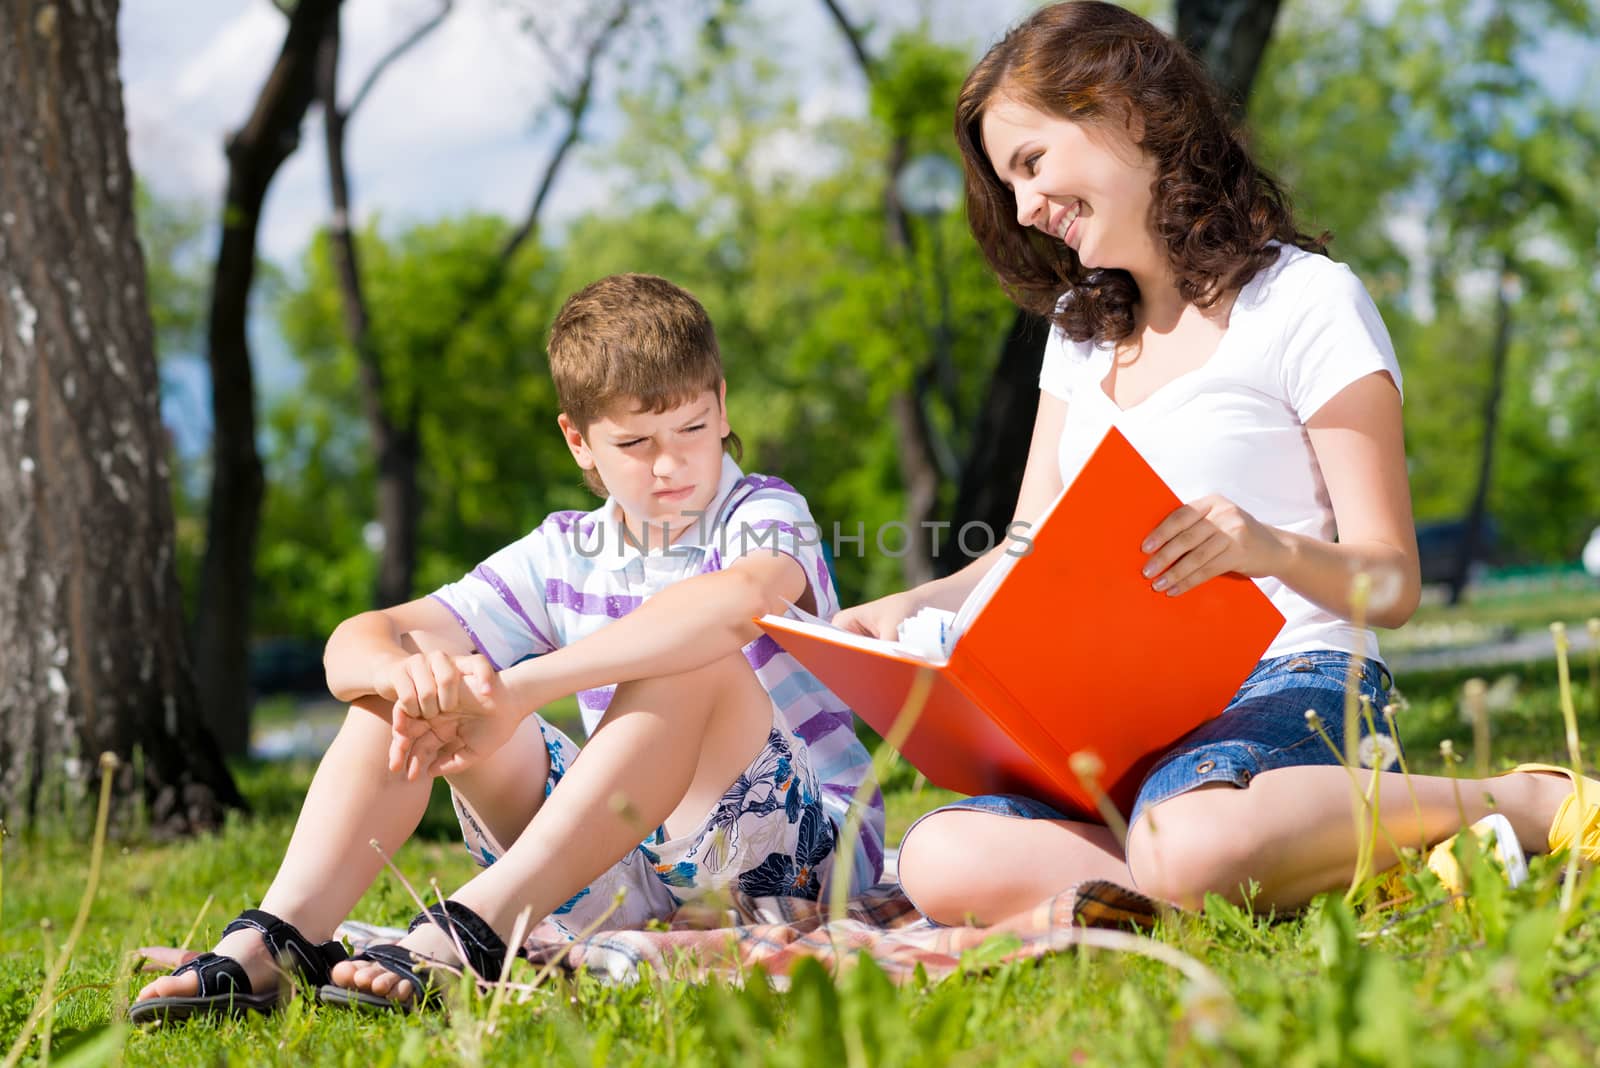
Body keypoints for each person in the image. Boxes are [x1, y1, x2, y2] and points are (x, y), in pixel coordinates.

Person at [835, 0, 1598, 923]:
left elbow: (1392, 583)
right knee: (941, 857)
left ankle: (1517, 801)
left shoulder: (1307, 302)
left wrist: (1266, 547)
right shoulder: (1077, 341)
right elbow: (1021, 553)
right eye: (1011, 183)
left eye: (1031, 162)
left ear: (1121, 110)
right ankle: (1254, 862)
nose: (1027, 207)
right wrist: (893, 615)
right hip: (1114, 718)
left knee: (1185, 843)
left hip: (1292, 683)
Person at [131, 273, 883, 1020]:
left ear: (721, 404)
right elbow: (354, 645)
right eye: (634, 442)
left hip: (795, 856)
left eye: (692, 427)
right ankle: (280, 940)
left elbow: (740, 603)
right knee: (405, 691)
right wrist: (411, 676)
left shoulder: (763, 511)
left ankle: (476, 926)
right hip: (621, 853)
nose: (670, 465)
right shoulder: (565, 548)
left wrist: (520, 688)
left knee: (693, 653)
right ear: (578, 440)